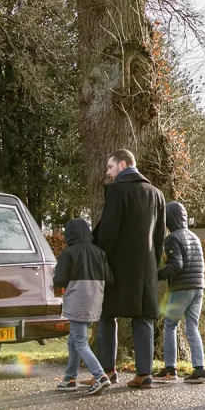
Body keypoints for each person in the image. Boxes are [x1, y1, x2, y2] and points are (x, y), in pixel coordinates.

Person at [95, 149, 165, 389]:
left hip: (118, 267)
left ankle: (107, 371)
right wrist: (153, 265)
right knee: (143, 318)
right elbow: (159, 237)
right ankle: (144, 374)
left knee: (106, 316)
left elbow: (108, 233)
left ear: (122, 164)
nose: (108, 173)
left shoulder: (117, 191)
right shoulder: (157, 194)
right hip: (146, 268)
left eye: (110, 168)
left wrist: (101, 262)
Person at [53, 218, 114, 394]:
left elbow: (60, 280)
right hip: (95, 300)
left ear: (69, 234)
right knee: (73, 340)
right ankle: (70, 378)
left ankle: (100, 376)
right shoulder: (100, 253)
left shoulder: (68, 253)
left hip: (77, 299)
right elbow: (109, 279)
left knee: (79, 341)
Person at [158, 201, 205, 383]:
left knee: (170, 326)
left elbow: (176, 265)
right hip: (199, 286)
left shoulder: (172, 238)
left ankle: (170, 368)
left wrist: (157, 276)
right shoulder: (194, 236)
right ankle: (200, 369)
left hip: (182, 288)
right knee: (192, 328)